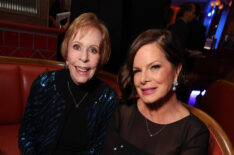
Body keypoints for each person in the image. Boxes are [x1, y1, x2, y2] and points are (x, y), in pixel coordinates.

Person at [18, 12, 118, 154]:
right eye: (77, 47)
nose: (84, 57)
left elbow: (100, 150)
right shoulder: (43, 84)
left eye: (93, 50)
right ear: (66, 50)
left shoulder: (109, 100)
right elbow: (26, 135)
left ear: (101, 57)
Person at [103, 29, 209, 155]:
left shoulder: (194, 133)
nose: (143, 79)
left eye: (154, 67)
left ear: (176, 71)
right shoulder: (123, 111)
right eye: (137, 71)